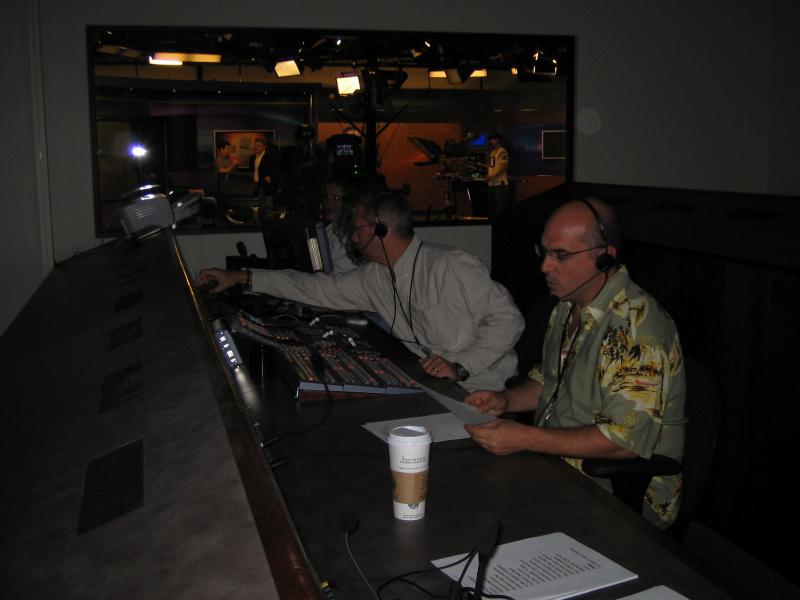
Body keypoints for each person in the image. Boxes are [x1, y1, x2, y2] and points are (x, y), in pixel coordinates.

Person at [463, 198, 686, 529]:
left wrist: (525, 438)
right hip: (556, 462)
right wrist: (504, 400)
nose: (545, 267)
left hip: (620, 489)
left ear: (604, 259)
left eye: (561, 255)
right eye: (545, 252)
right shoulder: (568, 306)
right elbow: (547, 382)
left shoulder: (635, 329)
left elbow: (622, 442)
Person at [195, 190, 524, 392]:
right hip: (442, 386)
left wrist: (462, 366)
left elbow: (509, 321)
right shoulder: (375, 277)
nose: (351, 237)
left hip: (482, 390)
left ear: (380, 229)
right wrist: (240, 276)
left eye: (356, 229)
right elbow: (313, 288)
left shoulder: (451, 264)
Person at [249, 137, 278, 216]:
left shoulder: (269, 157)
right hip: (256, 184)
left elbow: (276, 170)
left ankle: (271, 223)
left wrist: (270, 177)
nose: (256, 148)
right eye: (255, 146)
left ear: (264, 147)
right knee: (260, 206)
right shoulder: (252, 158)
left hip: (266, 185)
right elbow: (252, 171)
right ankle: (263, 224)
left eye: (258, 146)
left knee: (268, 205)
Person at [485, 133, 509, 216]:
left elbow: (504, 167)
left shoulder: (502, 152)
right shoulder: (493, 152)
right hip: (492, 184)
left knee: (500, 208)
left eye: (492, 139)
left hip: (499, 184)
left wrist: (491, 176)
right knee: (492, 208)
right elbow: (493, 166)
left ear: (497, 140)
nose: (490, 141)